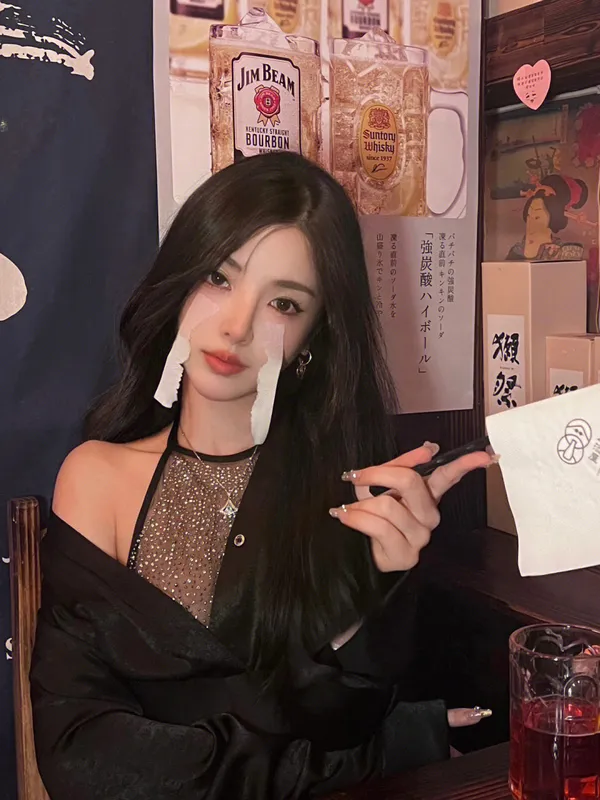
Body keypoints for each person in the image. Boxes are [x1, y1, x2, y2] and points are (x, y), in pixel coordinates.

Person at [30, 152, 492, 800]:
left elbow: (338, 721)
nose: (237, 324)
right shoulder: (94, 477)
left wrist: (380, 589)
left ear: (312, 338)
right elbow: (81, 758)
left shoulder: (349, 498)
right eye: (219, 277)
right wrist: (380, 753)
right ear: (180, 278)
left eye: (282, 301)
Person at [506, 173, 587, 261]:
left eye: (537, 217)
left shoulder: (564, 253)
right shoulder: (516, 252)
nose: (530, 225)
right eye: (529, 216)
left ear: (552, 219)